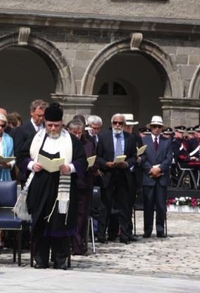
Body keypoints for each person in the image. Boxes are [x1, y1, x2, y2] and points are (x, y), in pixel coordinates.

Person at [16, 103, 86, 270]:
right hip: (40, 187)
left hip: (63, 188)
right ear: (45, 123)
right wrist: (32, 165)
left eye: (56, 125)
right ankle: (40, 259)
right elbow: (21, 156)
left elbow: (82, 161)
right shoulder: (37, 138)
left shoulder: (71, 140)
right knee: (40, 223)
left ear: (62, 123)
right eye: (49, 125)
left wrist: (70, 168)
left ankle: (60, 259)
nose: (53, 128)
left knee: (60, 223)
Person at [96, 113, 138, 244]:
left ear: (124, 125)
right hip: (108, 174)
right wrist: (105, 164)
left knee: (124, 207)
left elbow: (133, 156)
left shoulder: (130, 138)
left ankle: (125, 235)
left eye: (120, 123)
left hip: (123, 175)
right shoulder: (103, 137)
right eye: (115, 123)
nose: (118, 125)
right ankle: (102, 235)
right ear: (111, 124)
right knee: (105, 207)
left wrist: (126, 163)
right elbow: (97, 157)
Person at [66, 118, 96, 255]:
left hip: (84, 183)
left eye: (79, 132)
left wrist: (91, 165)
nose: (77, 135)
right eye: (74, 132)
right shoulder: (65, 143)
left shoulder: (88, 144)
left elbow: (95, 159)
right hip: (68, 183)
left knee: (82, 215)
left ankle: (79, 245)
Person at [141, 116, 173, 238]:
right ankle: (147, 230)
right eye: (154, 126)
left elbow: (169, 158)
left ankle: (160, 230)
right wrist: (151, 169)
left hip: (161, 176)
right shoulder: (144, 140)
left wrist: (159, 169)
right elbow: (142, 157)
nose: (156, 129)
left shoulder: (167, 141)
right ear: (150, 128)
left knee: (161, 205)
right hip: (148, 176)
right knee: (148, 205)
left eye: (159, 127)